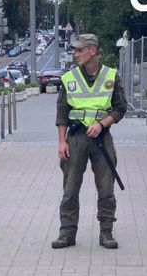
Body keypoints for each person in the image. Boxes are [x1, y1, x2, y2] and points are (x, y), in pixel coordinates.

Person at [52, 34, 127, 249]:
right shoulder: (70, 78)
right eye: (75, 50)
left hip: (101, 138)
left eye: (79, 50)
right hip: (76, 138)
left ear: (92, 51)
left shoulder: (111, 76)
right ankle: (67, 233)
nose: (75, 54)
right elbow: (62, 113)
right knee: (70, 188)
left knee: (106, 188)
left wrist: (102, 124)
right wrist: (62, 142)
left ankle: (106, 232)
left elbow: (120, 108)